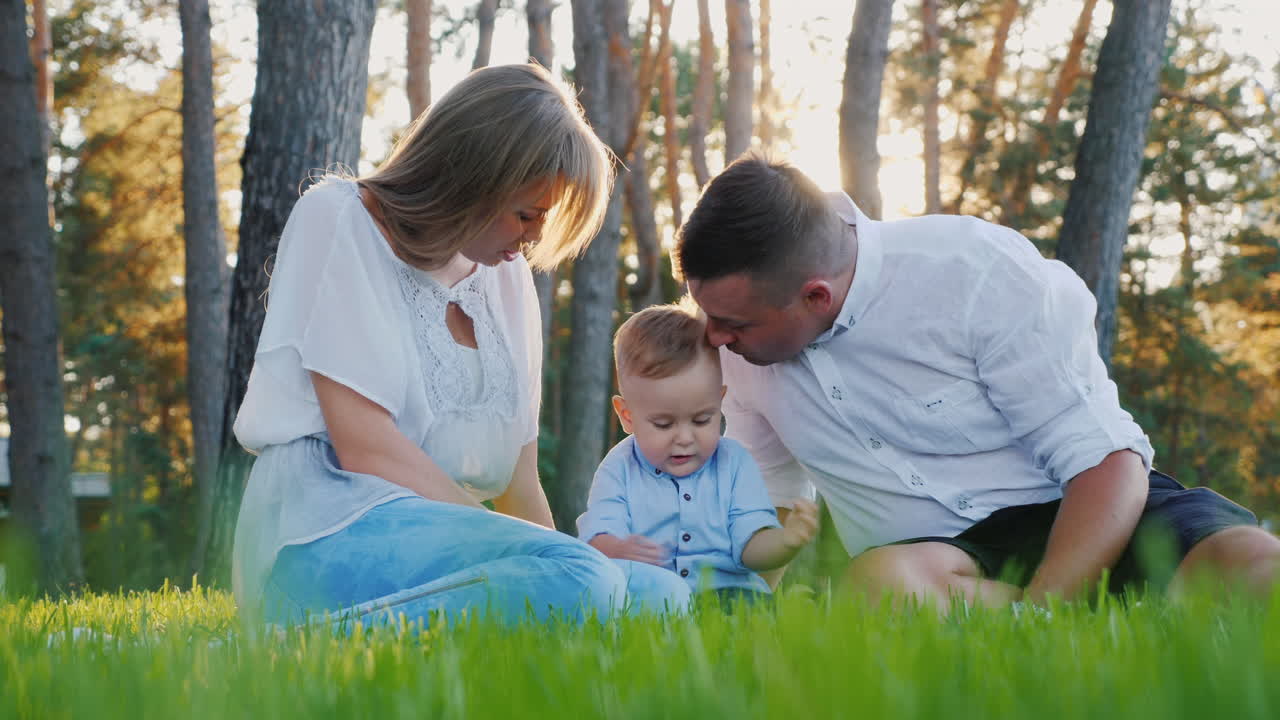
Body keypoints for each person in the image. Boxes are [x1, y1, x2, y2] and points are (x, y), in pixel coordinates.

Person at [675, 151, 1280, 610]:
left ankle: (1073, 612)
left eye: (732, 323)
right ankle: (1106, 618)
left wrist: (1042, 612)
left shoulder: (974, 270)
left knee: (1253, 564)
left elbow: (1107, 463)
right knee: (880, 589)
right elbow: (765, 503)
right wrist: (734, 607)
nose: (713, 337)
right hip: (943, 566)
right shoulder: (738, 354)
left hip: (1092, 514)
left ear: (814, 295)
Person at [230, 63, 689, 628]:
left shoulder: (506, 275)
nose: (534, 240)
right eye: (528, 214)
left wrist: (552, 564)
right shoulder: (340, 218)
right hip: (326, 532)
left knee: (658, 594)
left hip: (453, 540)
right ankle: (291, 644)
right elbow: (366, 448)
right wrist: (547, 563)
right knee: (586, 579)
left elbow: (521, 482)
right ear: (475, 177)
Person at [577, 302, 820, 608]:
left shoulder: (734, 463)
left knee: (753, 609)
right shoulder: (619, 468)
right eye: (664, 424)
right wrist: (617, 548)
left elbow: (749, 546)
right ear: (627, 416)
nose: (684, 438)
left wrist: (785, 541)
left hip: (731, 592)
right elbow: (598, 533)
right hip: (655, 593)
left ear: (720, 401)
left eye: (702, 420)